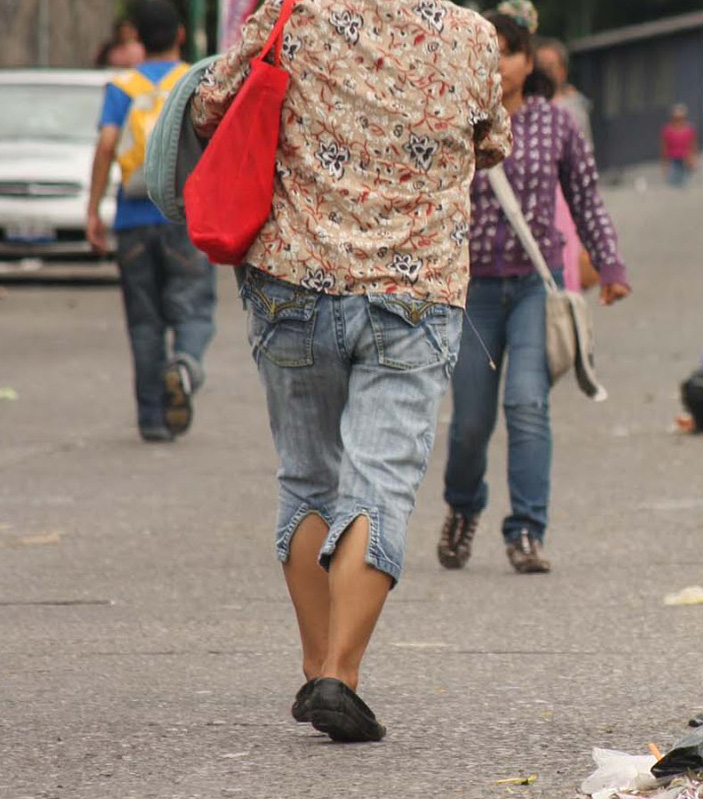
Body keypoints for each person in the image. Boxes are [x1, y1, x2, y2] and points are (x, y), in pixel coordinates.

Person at [190, 0, 511, 742]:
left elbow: (211, 106)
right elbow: (490, 142)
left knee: (306, 477)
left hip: (293, 280)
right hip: (414, 292)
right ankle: (340, 673)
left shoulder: (292, 12)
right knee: (379, 485)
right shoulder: (472, 35)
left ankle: (313, 668)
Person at [439, 4, 630, 576]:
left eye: (507, 51)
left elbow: (586, 197)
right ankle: (463, 507)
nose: (496, 63)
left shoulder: (556, 122)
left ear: (528, 60)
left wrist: (611, 264)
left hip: (533, 289)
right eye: (486, 51)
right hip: (470, 291)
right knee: (471, 422)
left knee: (527, 403)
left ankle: (525, 530)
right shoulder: (451, 116)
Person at [87, 0, 215, 443]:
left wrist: (94, 210)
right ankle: (185, 365)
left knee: (144, 322)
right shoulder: (196, 80)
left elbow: (107, 145)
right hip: (186, 216)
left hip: (133, 218)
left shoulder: (123, 86)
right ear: (181, 35)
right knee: (194, 306)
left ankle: (152, 420)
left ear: (137, 38)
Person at [534, 36, 598, 292]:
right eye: (541, 66)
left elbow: (586, 159)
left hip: (564, 197)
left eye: (552, 67)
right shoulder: (521, 109)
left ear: (562, 71)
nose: (546, 73)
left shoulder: (573, 109)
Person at [661, 103, 697, 188]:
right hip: (673, 159)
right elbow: (664, 146)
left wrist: (693, 158)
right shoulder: (668, 130)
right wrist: (665, 163)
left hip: (685, 159)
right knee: (672, 182)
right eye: (676, 118)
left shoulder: (689, 129)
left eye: (681, 118)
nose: (679, 120)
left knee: (684, 183)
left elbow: (693, 144)